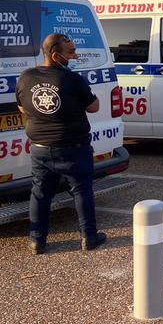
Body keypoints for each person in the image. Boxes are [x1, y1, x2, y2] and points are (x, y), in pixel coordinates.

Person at [16, 33, 107, 254]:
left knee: (40, 193)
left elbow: (22, 107)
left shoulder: (26, 77)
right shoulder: (71, 79)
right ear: (56, 56)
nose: (74, 55)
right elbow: (94, 107)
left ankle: (37, 241)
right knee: (81, 190)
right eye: (71, 52)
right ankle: (89, 237)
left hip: (40, 148)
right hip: (72, 147)